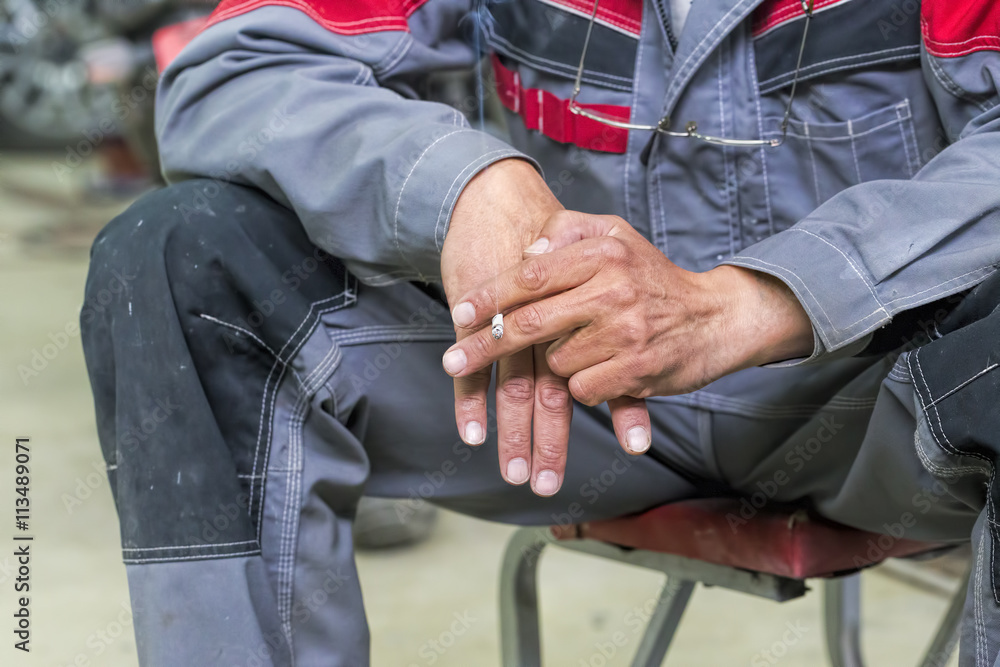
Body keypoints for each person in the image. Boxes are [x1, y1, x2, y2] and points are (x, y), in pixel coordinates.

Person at [80, 0, 1000, 664]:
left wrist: (765, 297)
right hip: (562, 400)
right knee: (175, 258)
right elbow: (233, 70)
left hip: (886, 409)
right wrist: (461, 185)